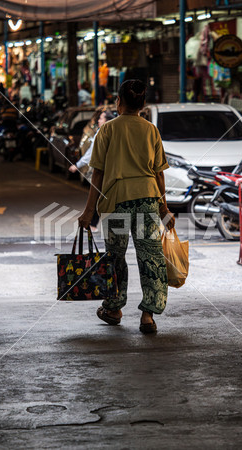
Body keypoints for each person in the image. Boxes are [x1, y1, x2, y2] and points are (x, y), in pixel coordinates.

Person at [78, 79, 175, 334]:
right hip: (147, 200)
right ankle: (148, 316)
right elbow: (159, 174)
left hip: (116, 201)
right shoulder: (151, 130)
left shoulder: (107, 130)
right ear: (142, 104)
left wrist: (89, 212)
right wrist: (163, 209)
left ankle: (114, 308)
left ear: (119, 102)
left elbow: (97, 174)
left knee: (115, 258)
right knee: (151, 257)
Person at [69, 109, 115, 231]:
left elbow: (91, 154)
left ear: (107, 121)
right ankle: (94, 224)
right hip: (114, 174)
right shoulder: (115, 133)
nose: (98, 121)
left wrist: (77, 165)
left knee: (98, 195)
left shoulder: (101, 134)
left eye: (101, 119)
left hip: (104, 172)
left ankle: (93, 224)